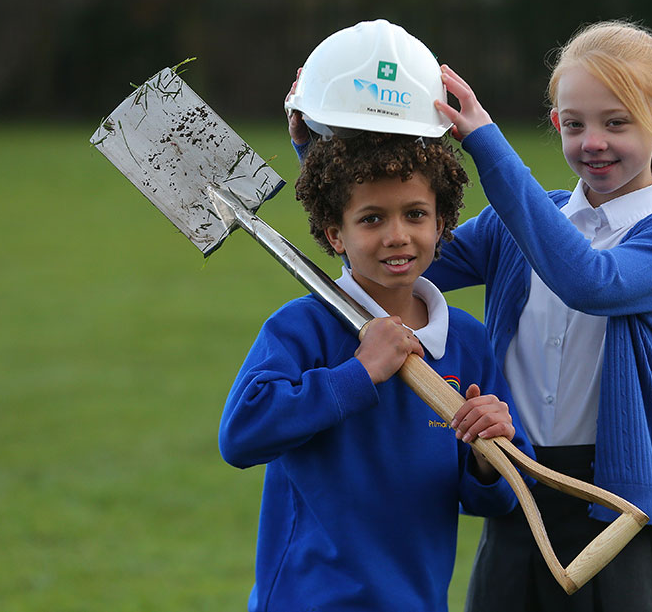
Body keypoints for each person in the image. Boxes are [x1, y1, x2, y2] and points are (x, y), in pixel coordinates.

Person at [421, 21, 652, 611]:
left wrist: (486, 143)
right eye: (576, 124)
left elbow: (589, 281)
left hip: (611, 510)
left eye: (617, 122)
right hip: (515, 483)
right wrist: (334, 151)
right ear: (556, 123)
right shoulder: (524, 221)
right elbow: (398, 260)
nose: (594, 142)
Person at [220, 125, 536, 611]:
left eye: (416, 215)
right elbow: (241, 436)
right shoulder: (302, 327)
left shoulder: (466, 342)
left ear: (441, 224)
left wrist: (488, 453)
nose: (397, 236)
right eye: (371, 219)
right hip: (308, 600)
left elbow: (497, 500)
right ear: (335, 234)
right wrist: (359, 372)